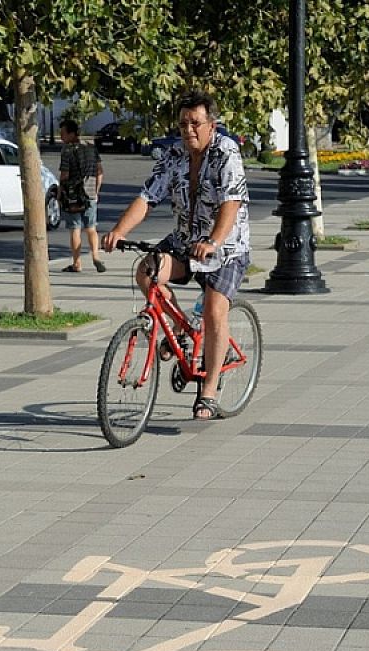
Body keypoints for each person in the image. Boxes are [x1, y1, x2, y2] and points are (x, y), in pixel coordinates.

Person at [101, 90, 251, 421]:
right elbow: (147, 197)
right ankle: (181, 330)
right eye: (183, 124)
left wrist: (213, 240)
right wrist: (119, 230)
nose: (188, 130)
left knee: (214, 309)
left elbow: (231, 203)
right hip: (185, 240)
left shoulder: (227, 154)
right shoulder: (173, 155)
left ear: (212, 124)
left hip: (226, 247)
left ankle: (209, 390)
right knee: (146, 272)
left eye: (195, 123)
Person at [58, 119, 105, 273]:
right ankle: (96, 257)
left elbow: (64, 174)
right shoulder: (91, 147)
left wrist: (60, 193)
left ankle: (77, 263)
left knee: (75, 229)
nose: (61, 136)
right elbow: (99, 171)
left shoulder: (67, 150)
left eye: (63, 133)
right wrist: (96, 191)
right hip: (90, 193)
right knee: (91, 228)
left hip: (73, 195)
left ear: (71, 133)